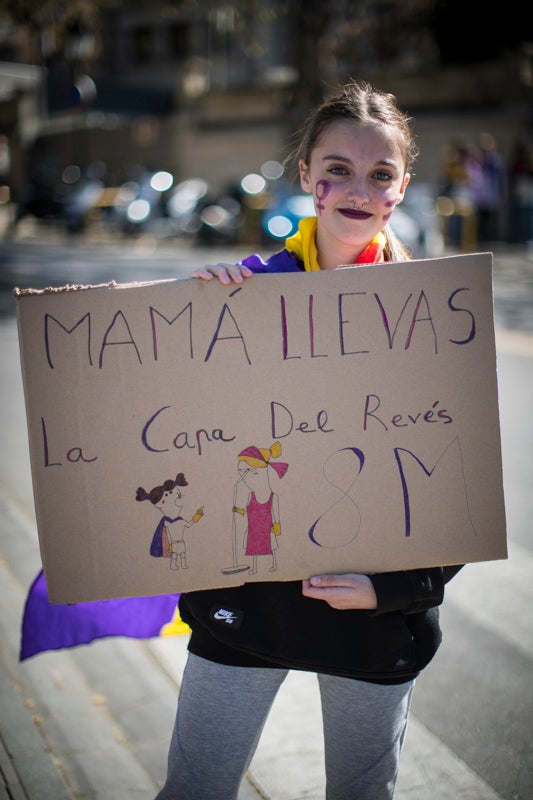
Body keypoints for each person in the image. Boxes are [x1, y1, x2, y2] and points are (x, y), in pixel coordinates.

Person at [154, 80, 462, 800]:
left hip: (371, 621)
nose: (357, 189)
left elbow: (457, 483)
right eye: (337, 169)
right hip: (247, 603)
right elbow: (181, 443)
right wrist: (203, 326)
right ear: (306, 177)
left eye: (379, 174)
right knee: (194, 790)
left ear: (401, 189)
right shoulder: (246, 296)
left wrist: (390, 589)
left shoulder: (435, 318)